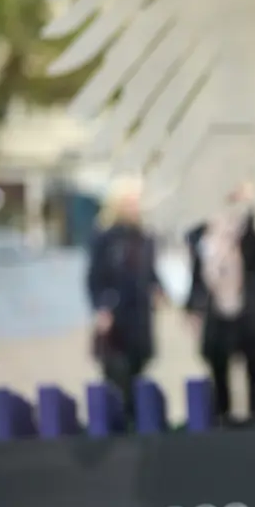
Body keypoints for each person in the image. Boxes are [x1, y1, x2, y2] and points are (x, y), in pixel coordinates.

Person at [186, 182, 255, 425]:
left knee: (254, 367)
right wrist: (192, 306)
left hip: (250, 306)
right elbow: (196, 270)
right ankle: (223, 418)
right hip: (217, 306)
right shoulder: (204, 226)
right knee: (218, 366)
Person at [86, 177, 166, 423]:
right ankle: (116, 423)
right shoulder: (105, 237)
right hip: (116, 316)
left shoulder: (144, 237)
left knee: (138, 370)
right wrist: (101, 308)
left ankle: (133, 422)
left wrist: (160, 291)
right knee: (116, 373)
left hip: (140, 317)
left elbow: (150, 274)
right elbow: (94, 278)